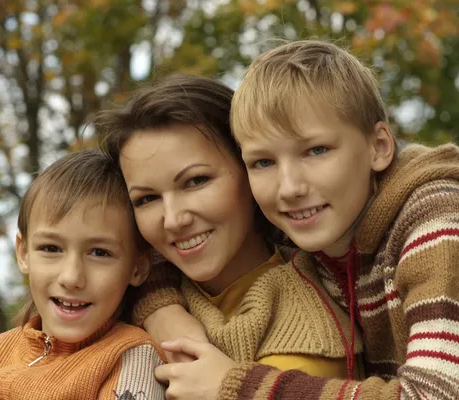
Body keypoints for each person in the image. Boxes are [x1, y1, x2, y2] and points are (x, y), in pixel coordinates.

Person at [143, 41, 459, 399]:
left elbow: (437, 395)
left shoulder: (435, 223)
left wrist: (238, 387)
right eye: (263, 162)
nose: (289, 188)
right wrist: (164, 311)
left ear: (379, 147)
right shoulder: (311, 223)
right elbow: (144, 259)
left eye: (316, 150)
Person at [96, 74, 362, 398]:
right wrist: (157, 308)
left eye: (196, 181)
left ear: (252, 169)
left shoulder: (305, 321)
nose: (174, 220)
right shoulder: (127, 288)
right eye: (146, 199)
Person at [0, 149, 165, 400]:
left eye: (99, 253)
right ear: (23, 253)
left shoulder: (131, 356)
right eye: (51, 248)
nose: (71, 277)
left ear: (138, 267)